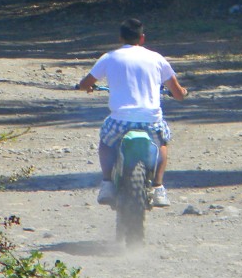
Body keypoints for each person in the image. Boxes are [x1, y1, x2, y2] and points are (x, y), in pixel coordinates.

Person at [77, 18, 187, 208]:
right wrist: (182, 92)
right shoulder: (157, 59)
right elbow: (177, 93)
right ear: (142, 38)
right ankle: (159, 187)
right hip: (151, 121)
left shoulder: (110, 57)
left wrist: (87, 87)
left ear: (120, 38)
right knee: (161, 142)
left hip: (120, 121)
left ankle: (107, 183)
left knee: (105, 141)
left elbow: (85, 84)